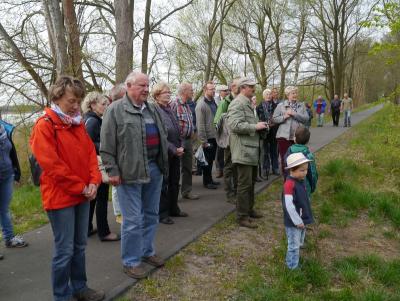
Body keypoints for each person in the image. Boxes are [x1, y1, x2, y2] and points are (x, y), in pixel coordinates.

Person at [30, 75, 104, 301]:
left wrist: (94, 181)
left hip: (83, 193)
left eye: (78, 101)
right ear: (57, 96)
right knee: (64, 250)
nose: (75, 106)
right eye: (71, 101)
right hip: (60, 197)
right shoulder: (46, 125)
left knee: (80, 245)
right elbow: (52, 166)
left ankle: (79, 288)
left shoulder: (77, 123)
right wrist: (81, 187)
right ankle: (61, 295)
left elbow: (91, 154)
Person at [100, 71, 168, 279]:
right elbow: (107, 144)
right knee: (132, 220)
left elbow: (162, 134)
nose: (146, 89)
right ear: (129, 86)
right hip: (129, 173)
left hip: (154, 169)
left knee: (150, 214)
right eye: (142, 86)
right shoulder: (115, 110)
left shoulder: (153, 108)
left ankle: (147, 251)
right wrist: (112, 170)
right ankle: (130, 261)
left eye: (148, 86)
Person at [227, 77, 268, 228]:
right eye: (251, 87)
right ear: (243, 88)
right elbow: (235, 125)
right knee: (244, 185)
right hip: (243, 151)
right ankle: (242, 216)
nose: (253, 89)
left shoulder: (248, 103)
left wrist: (261, 127)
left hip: (251, 150)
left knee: (250, 183)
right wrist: (255, 127)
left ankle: (249, 210)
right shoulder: (237, 103)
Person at [82, 92, 120, 242]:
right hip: (97, 164)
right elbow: (89, 145)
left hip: (92, 165)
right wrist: (106, 145)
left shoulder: (90, 119)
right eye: (103, 104)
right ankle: (104, 232)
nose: (106, 106)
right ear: (92, 105)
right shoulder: (93, 121)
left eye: (106, 103)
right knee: (102, 197)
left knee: (93, 198)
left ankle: (87, 228)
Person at [152, 82, 188, 225]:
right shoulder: (154, 110)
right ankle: (163, 213)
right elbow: (160, 135)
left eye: (169, 92)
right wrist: (173, 149)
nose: (168, 94)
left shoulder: (169, 108)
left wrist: (181, 146)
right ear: (157, 95)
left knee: (174, 181)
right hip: (164, 153)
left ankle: (174, 208)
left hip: (176, 152)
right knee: (164, 183)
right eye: (165, 92)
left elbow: (177, 129)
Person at [0, 118, 27, 257]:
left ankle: (9, 239)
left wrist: (17, 171)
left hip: (6, 175)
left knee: (4, 209)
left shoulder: (4, 129)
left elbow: (12, 151)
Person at [282, 152, 314, 270]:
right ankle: (292, 268)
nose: (305, 173)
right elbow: (289, 206)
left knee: (299, 243)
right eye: (302, 170)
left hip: (301, 220)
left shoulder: (300, 181)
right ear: (292, 170)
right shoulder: (289, 184)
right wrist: (297, 221)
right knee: (293, 245)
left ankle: (294, 261)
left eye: (306, 170)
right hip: (294, 222)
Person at [171, 83, 199, 200]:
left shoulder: (187, 105)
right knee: (175, 168)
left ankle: (186, 191)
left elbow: (189, 122)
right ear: (184, 91)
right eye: (191, 90)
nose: (193, 92)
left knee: (187, 167)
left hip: (188, 140)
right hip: (177, 141)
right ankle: (173, 195)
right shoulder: (174, 104)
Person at [272, 86, 309, 174]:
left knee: (297, 159)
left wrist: (294, 114)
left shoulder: (301, 105)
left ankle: (296, 179)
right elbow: (274, 119)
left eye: (296, 93)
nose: (295, 95)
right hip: (283, 137)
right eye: (293, 93)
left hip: (297, 137)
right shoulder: (281, 106)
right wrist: (284, 117)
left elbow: (306, 118)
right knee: (285, 159)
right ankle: (287, 180)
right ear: (288, 95)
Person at [214, 79, 239, 203]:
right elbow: (217, 121)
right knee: (229, 167)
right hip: (229, 141)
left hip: (240, 141)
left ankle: (237, 191)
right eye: (236, 85)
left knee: (237, 167)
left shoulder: (243, 100)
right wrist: (224, 138)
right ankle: (230, 194)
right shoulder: (225, 102)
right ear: (232, 88)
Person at [108, 84, 126, 224]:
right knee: (116, 188)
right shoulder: (112, 112)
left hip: (124, 158)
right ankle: (119, 213)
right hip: (116, 158)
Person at [195, 81, 219, 189]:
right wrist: (203, 141)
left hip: (214, 136)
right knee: (207, 161)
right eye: (211, 89)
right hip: (207, 137)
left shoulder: (213, 102)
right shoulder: (201, 105)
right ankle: (207, 182)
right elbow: (200, 124)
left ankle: (210, 180)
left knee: (211, 160)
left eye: (214, 89)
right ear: (205, 90)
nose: (213, 91)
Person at [284, 127, 318, 198]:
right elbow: (312, 173)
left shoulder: (288, 152)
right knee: (304, 206)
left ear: (294, 139)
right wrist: (313, 186)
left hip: (290, 185)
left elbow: (286, 169)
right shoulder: (308, 155)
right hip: (305, 187)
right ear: (307, 141)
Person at [256, 88, 279, 178]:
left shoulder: (276, 106)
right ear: (263, 96)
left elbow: (278, 117)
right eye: (267, 94)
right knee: (265, 151)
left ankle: (275, 167)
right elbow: (257, 118)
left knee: (274, 150)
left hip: (273, 131)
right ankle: (266, 168)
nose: (269, 96)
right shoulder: (259, 107)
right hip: (264, 131)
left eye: (270, 94)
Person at [215, 85, 230, 178]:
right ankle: (219, 170)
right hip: (219, 128)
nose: (226, 92)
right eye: (224, 91)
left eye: (227, 90)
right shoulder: (215, 101)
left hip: (227, 128)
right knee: (219, 151)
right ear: (220, 92)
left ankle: (226, 169)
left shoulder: (229, 100)